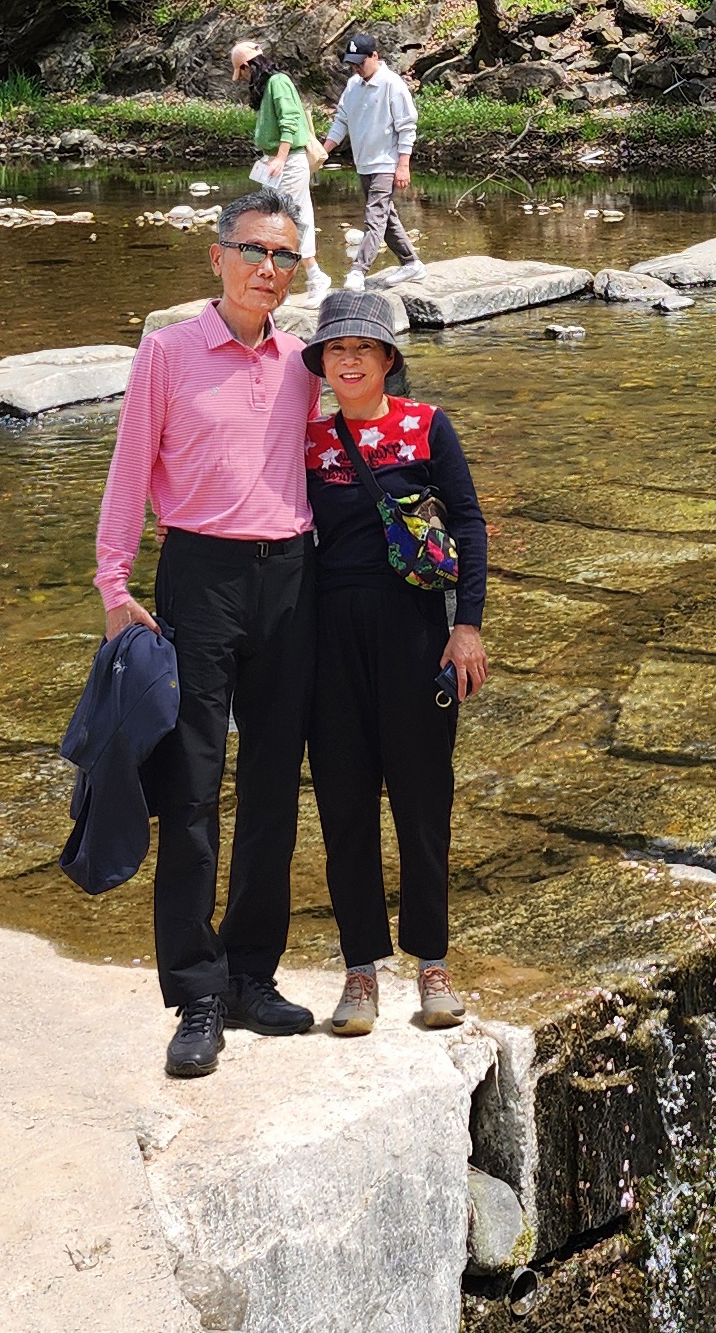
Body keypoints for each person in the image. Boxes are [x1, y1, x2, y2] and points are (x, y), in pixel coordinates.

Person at [97, 188, 325, 1077]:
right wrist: (113, 582)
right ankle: (195, 991)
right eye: (254, 250)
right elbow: (129, 468)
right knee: (190, 787)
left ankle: (250, 974)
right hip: (199, 578)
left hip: (291, 579)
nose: (268, 268)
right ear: (218, 255)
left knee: (272, 784)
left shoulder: (303, 362)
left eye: (284, 255)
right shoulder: (167, 352)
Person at [297, 291, 488, 1037]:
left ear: (387, 360)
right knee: (344, 803)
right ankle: (360, 970)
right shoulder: (307, 436)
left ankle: (432, 964)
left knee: (422, 799)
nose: (349, 361)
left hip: (416, 633)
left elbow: (468, 523)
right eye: (336, 350)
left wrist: (466, 627)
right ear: (321, 363)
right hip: (328, 639)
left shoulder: (426, 425)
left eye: (363, 349)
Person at [322, 36, 425, 289]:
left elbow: (407, 126)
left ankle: (358, 270)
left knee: (375, 216)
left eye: (361, 62)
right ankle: (412, 263)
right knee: (386, 218)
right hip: (364, 163)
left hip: (386, 163)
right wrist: (323, 151)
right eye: (353, 64)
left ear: (375, 56)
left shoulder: (392, 84)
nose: (357, 68)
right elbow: (341, 121)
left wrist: (403, 165)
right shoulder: (353, 85)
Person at [233, 41, 332, 295]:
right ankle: (297, 280)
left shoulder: (278, 82)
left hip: (287, 162)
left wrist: (280, 157)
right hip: (275, 161)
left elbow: (290, 120)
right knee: (285, 218)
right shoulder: (269, 85)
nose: (243, 79)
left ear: (247, 66)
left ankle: (312, 277)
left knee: (287, 219)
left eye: (242, 73)